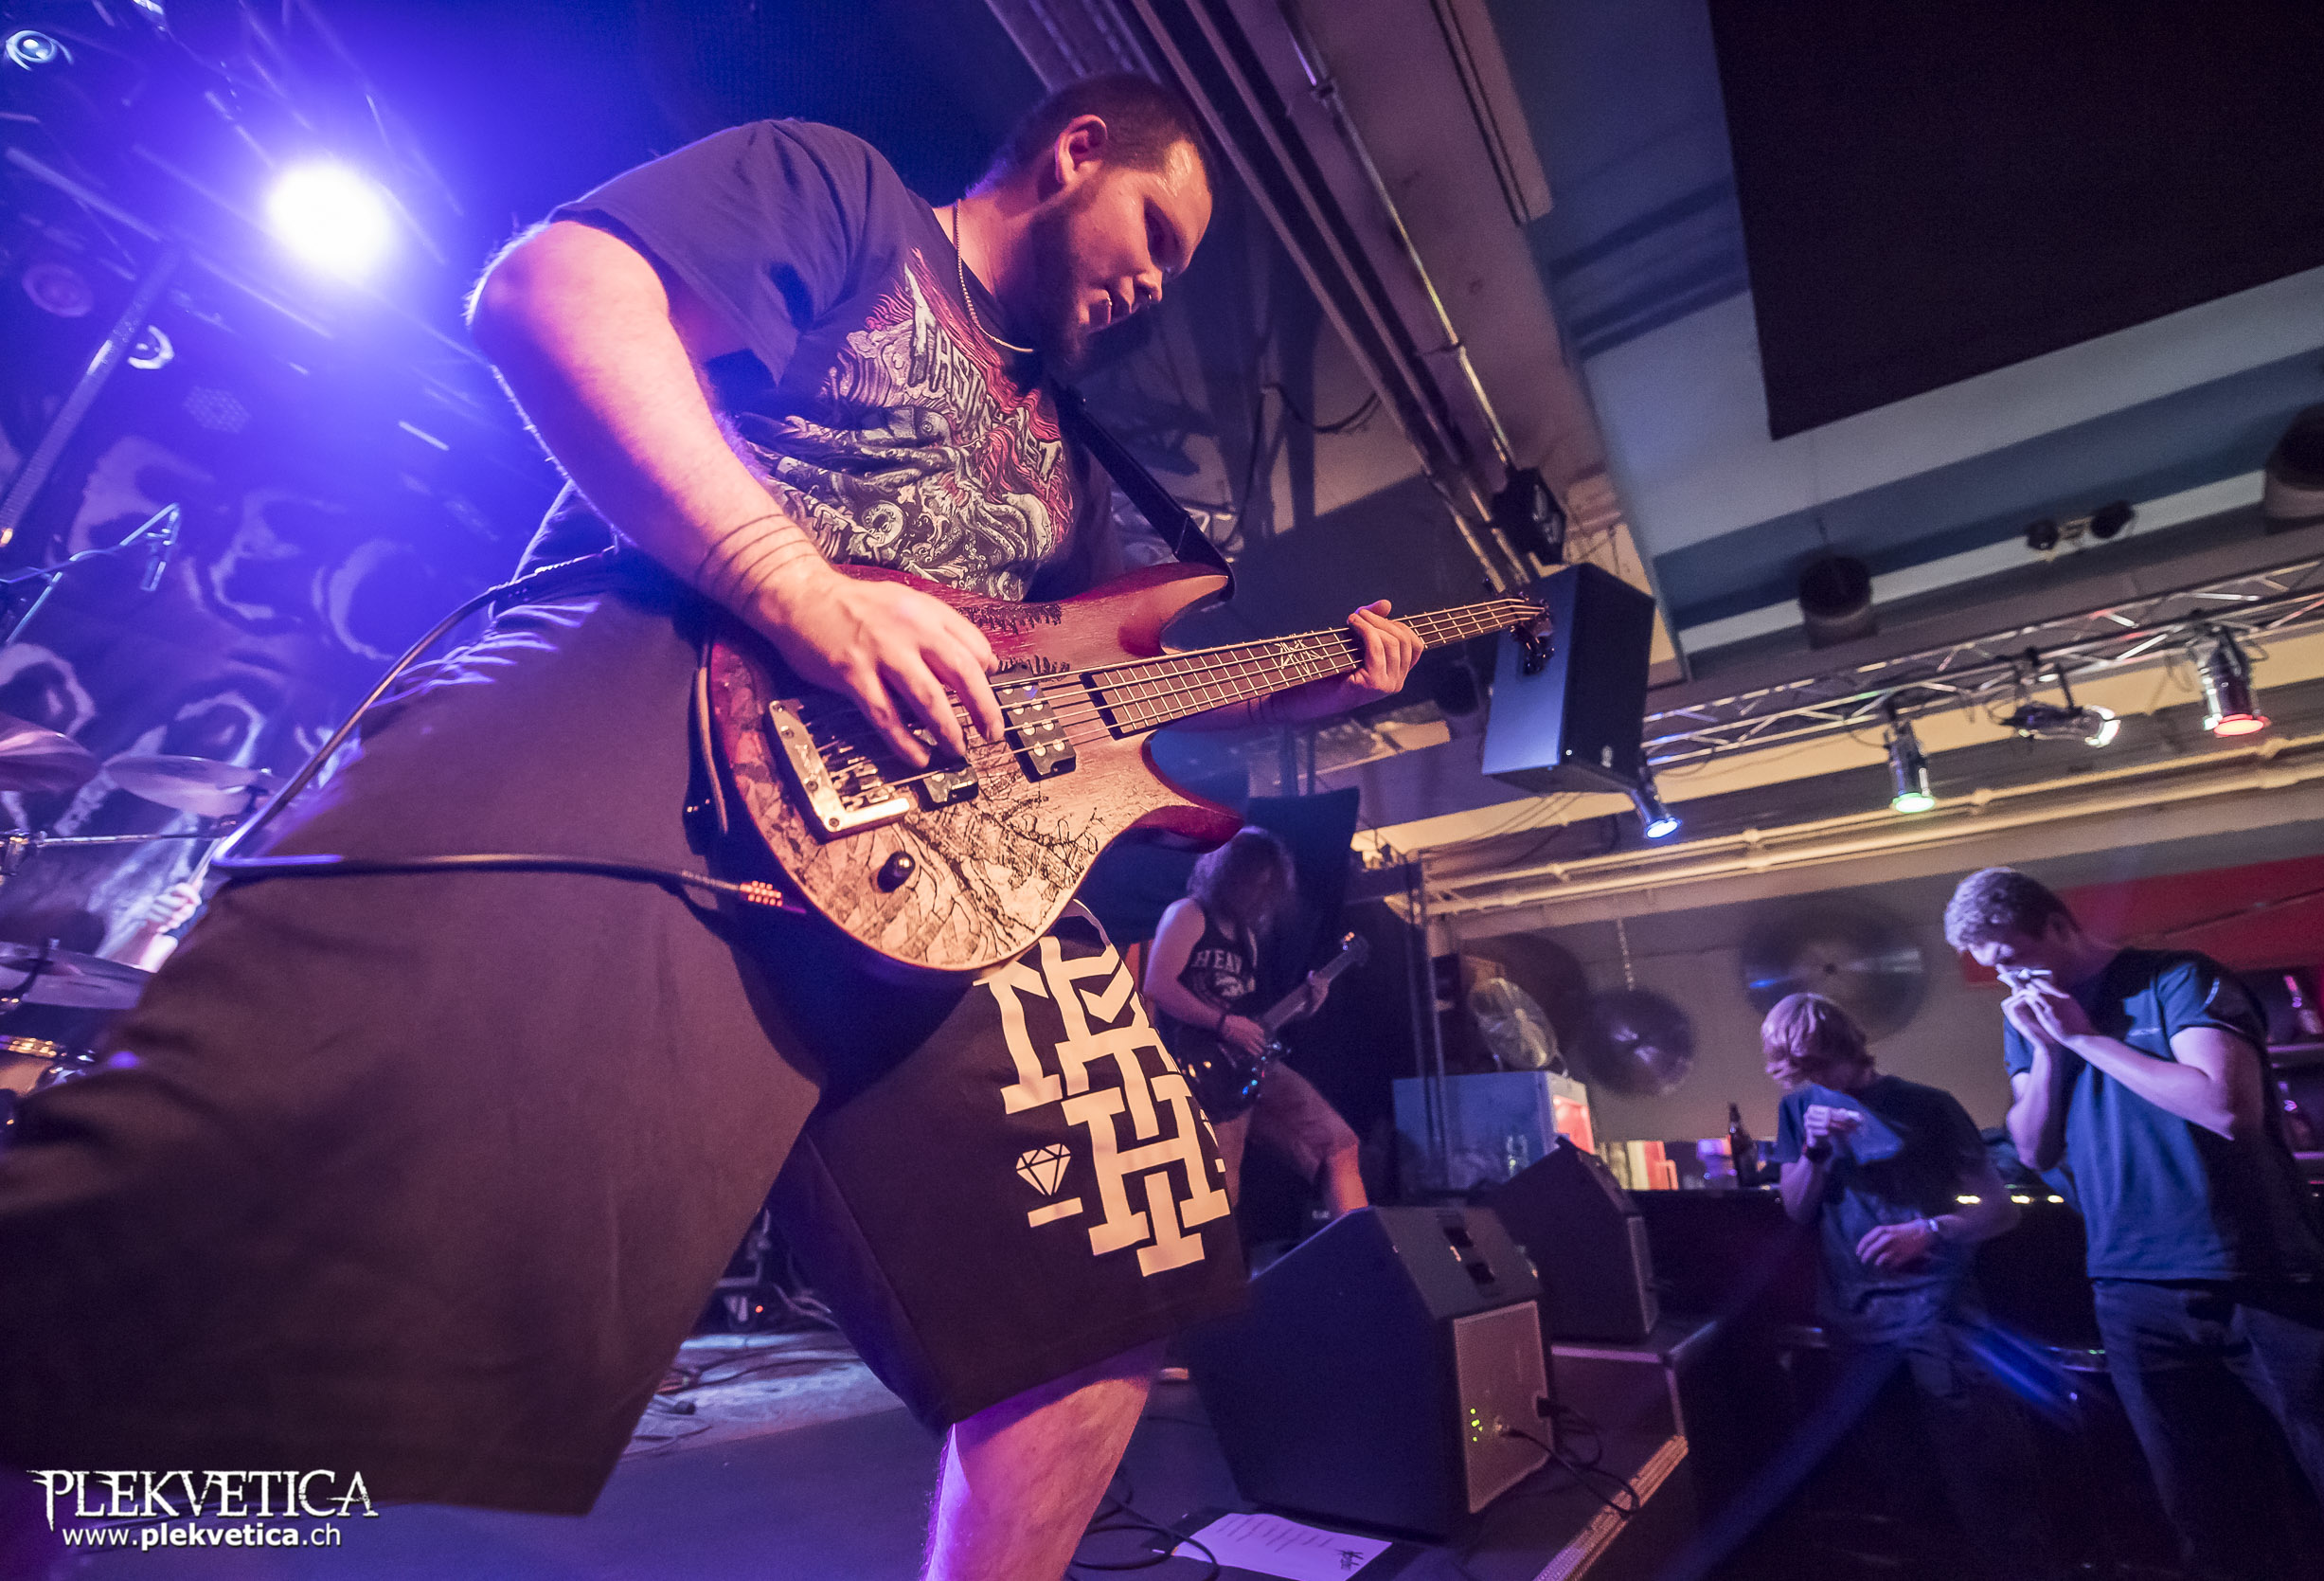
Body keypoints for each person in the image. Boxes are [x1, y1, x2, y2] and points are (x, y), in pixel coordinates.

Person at [0, 74, 1423, 1581]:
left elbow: (1080, 702)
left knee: (1127, 1263)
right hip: (655, 687)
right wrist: (804, 590)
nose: (1156, 284)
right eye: (1157, 233)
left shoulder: (1074, 473)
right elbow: (554, 293)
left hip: (937, 861)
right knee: (185, 1200)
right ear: (1079, 152)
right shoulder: (846, 192)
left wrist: (1302, 693)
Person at [1945, 865, 2324, 1579]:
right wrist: (2047, 1051)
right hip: (2130, 1286)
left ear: (2056, 925)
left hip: (2256, 1271)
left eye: (2015, 958)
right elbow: (2033, 1147)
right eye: (1996, 971)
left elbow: (2225, 1108)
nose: (2011, 980)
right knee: (2201, 1510)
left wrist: (2086, 1040)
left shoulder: (2176, 979)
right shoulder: (2032, 1022)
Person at [1764, 991, 2055, 1581]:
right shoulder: (1798, 1111)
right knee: (1905, 1491)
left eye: (1816, 1065)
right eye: (1797, 1071)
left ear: (1846, 1047)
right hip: (1855, 1324)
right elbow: (1797, 1209)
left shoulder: (1927, 1105)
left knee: (1986, 1489)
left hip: (1940, 1321)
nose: (1809, 1080)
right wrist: (1815, 1151)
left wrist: (1929, 1230)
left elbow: (2000, 1211)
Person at [1142, 828, 1367, 1220]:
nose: (1258, 895)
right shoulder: (1188, 914)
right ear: (1228, 874)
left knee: (1339, 1143)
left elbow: (1254, 1018)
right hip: (1202, 1072)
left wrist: (1308, 1005)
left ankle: (1365, 1246)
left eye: (1267, 887)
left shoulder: (1248, 937)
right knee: (1221, 1190)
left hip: (1251, 1066)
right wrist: (1224, 1024)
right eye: (1252, 883)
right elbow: (1157, 985)